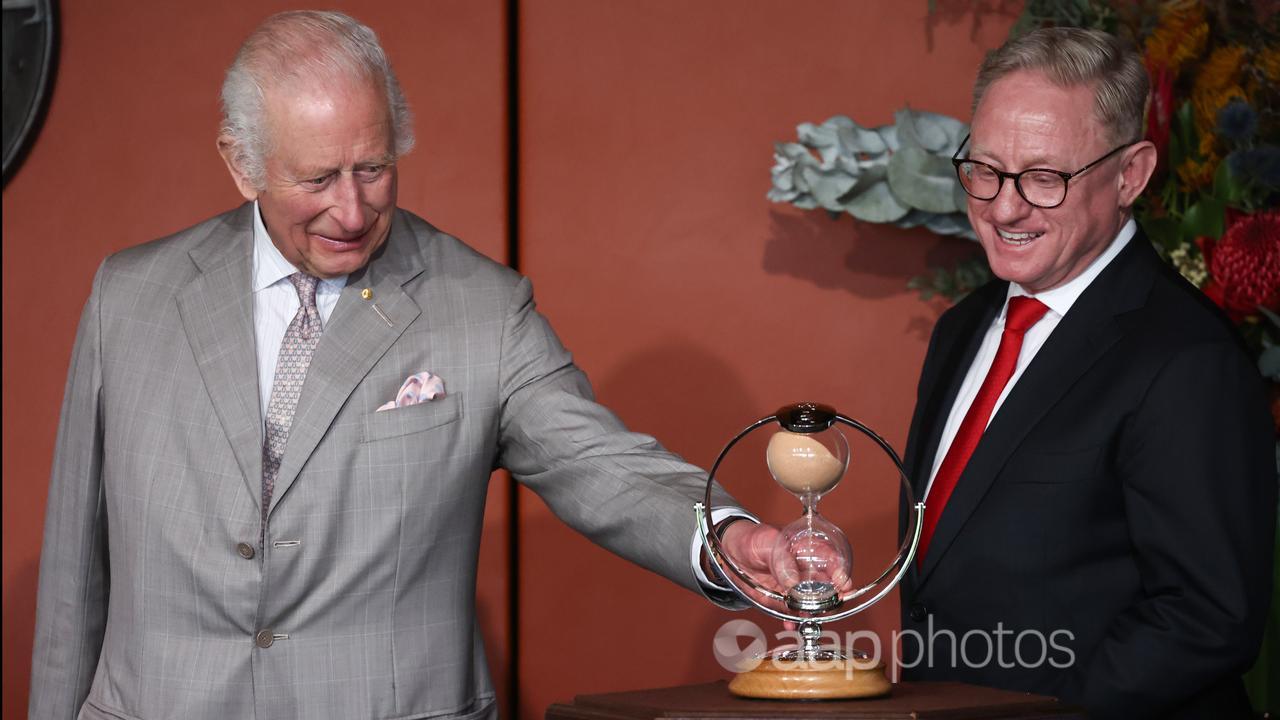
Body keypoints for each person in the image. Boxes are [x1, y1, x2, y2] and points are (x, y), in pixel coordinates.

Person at [27, 11, 763, 720]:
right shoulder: (130, 295)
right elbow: (73, 574)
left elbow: (600, 462)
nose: (351, 211)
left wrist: (728, 538)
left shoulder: (481, 307)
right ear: (240, 163)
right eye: (317, 180)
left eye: (373, 168)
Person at [898, 26, 1276, 718]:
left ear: (1130, 174)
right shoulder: (961, 329)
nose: (1004, 207)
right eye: (985, 169)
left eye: (1044, 178)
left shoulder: (1188, 359)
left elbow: (1207, 616)